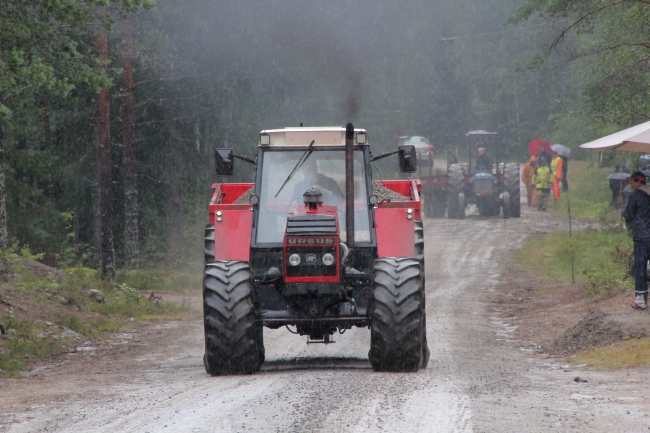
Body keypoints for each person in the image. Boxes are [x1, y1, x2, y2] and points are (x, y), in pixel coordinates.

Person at [622, 171, 650, 310]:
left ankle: (641, 299)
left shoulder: (636, 196)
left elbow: (627, 214)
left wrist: (631, 224)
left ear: (639, 182)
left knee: (640, 266)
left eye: (632, 182)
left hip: (641, 236)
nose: (631, 185)